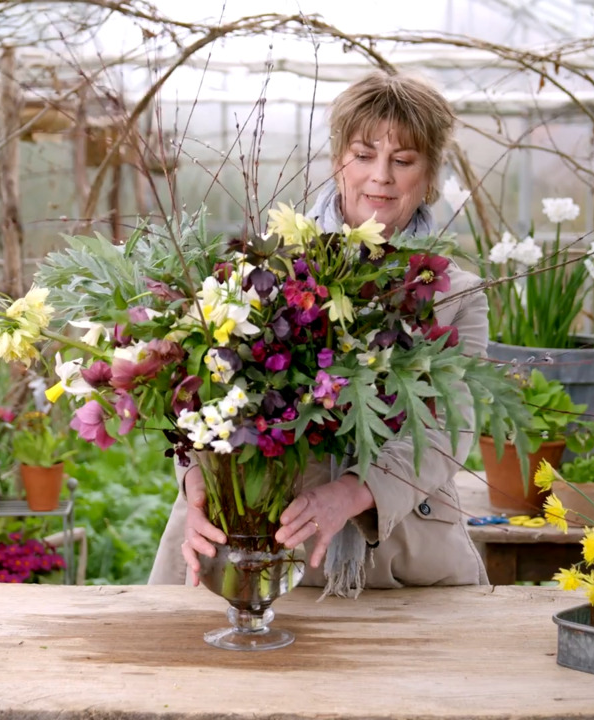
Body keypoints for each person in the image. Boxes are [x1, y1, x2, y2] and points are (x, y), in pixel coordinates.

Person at [148, 70, 489, 596]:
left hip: (398, 561)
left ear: (429, 176)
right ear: (338, 162)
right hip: (250, 536)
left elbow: (450, 427)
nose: (382, 177)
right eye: (364, 154)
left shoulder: (454, 293)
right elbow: (198, 394)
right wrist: (197, 486)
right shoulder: (268, 267)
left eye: (403, 161)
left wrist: (351, 493)